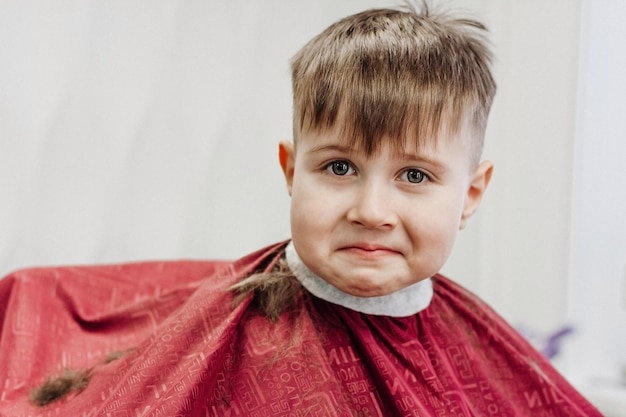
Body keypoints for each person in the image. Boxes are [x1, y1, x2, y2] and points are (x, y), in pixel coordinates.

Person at [0, 4, 601, 416]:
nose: (372, 210)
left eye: (414, 176)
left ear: (469, 195)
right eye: (339, 168)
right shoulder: (242, 345)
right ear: (292, 171)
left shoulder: (474, 340)